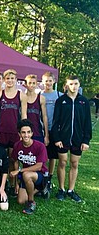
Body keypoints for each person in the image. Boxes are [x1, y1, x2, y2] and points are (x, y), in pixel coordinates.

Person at [52, 75, 92, 203]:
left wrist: (86, 140)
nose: (73, 86)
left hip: (78, 139)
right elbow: (55, 121)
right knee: (62, 162)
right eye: (71, 84)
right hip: (63, 138)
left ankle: (71, 190)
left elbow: (87, 123)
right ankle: (61, 189)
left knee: (74, 163)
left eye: (75, 84)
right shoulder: (61, 101)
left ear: (79, 85)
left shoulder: (84, 101)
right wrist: (57, 138)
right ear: (66, 85)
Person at [0, 69, 27, 195]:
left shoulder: (21, 95)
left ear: (16, 80)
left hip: (14, 132)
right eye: (8, 78)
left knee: (14, 160)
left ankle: (14, 184)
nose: (10, 81)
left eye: (12, 78)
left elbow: (23, 114)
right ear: (4, 80)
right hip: (1, 131)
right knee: (0, 159)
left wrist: (23, 132)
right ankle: (0, 183)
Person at [10, 119, 49, 215]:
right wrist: (16, 184)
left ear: (32, 133)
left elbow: (39, 166)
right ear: (19, 134)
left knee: (27, 175)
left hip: (40, 175)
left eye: (28, 132)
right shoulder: (17, 145)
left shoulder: (40, 146)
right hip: (25, 174)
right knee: (20, 200)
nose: (26, 135)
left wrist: (19, 171)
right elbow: (15, 161)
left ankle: (31, 202)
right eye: (23, 132)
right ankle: (40, 189)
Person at [41, 72, 63, 188]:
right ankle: (42, 174)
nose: (48, 83)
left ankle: (49, 176)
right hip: (42, 128)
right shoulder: (40, 95)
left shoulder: (59, 95)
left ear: (54, 81)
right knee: (42, 153)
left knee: (52, 155)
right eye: (46, 81)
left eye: (50, 81)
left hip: (55, 129)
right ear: (42, 82)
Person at [25, 74, 49, 144]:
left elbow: (44, 117)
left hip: (37, 131)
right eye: (29, 83)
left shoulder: (41, 98)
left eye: (33, 83)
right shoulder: (22, 97)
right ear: (25, 84)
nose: (31, 85)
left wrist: (46, 135)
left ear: (36, 84)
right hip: (25, 133)